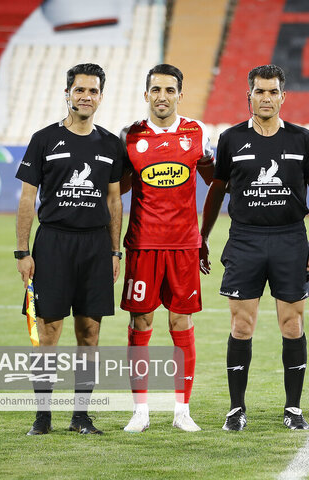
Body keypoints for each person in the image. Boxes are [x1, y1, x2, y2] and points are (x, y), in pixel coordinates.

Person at [200, 64, 309, 431]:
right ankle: (236, 409)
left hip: (291, 239)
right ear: (249, 96)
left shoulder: (302, 139)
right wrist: (203, 237)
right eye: (260, 91)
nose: (266, 98)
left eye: (273, 92)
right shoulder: (230, 139)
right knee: (242, 326)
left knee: (292, 324)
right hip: (245, 239)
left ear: (283, 96)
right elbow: (217, 190)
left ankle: (293, 408)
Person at [15, 63, 123, 435]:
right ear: (68, 93)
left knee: (90, 333)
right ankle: (42, 418)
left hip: (95, 246)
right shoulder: (44, 139)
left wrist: (114, 251)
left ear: (101, 97)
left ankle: (81, 416)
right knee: (49, 331)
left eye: (93, 91)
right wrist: (22, 251)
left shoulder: (111, 144)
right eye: (80, 90)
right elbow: (27, 199)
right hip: (53, 243)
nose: (86, 97)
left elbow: (114, 202)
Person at [119, 64, 215, 433]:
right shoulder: (129, 136)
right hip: (143, 245)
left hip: (183, 246)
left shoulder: (196, 131)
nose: (162, 96)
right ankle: (140, 410)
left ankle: (181, 410)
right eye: (155, 90)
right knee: (140, 323)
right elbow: (120, 188)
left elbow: (214, 177)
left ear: (179, 94)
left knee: (181, 322)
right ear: (146, 95)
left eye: (169, 90)